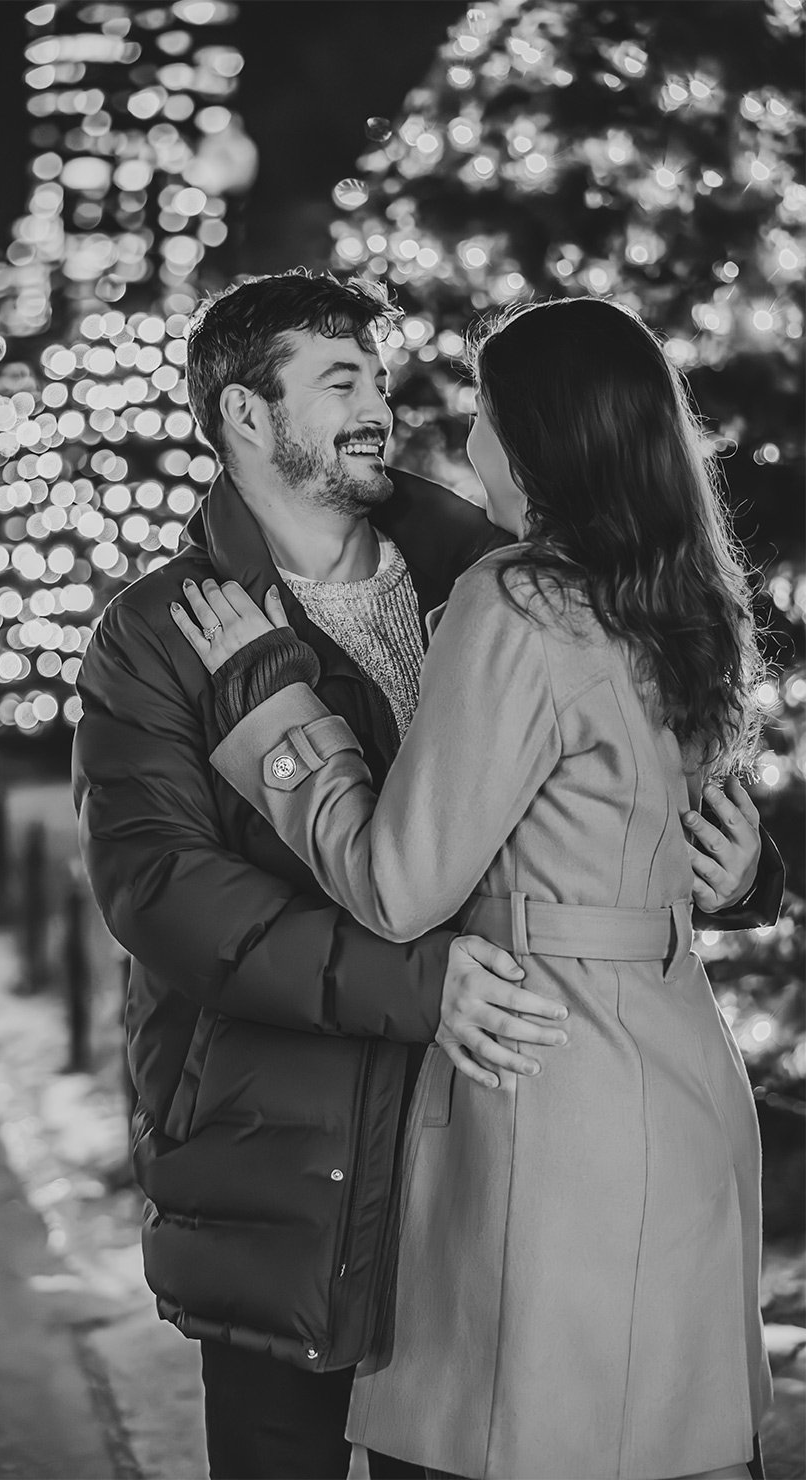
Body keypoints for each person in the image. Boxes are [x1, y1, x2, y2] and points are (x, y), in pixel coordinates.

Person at [71, 272, 781, 1480]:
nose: (382, 410)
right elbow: (165, 897)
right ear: (244, 415)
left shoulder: (494, 564)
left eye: (380, 380)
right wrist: (413, 985)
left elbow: (612, 771)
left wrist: (747, 863)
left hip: (507, 1136)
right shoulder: (163, 630)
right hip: (288, 1161)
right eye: (337, 379)